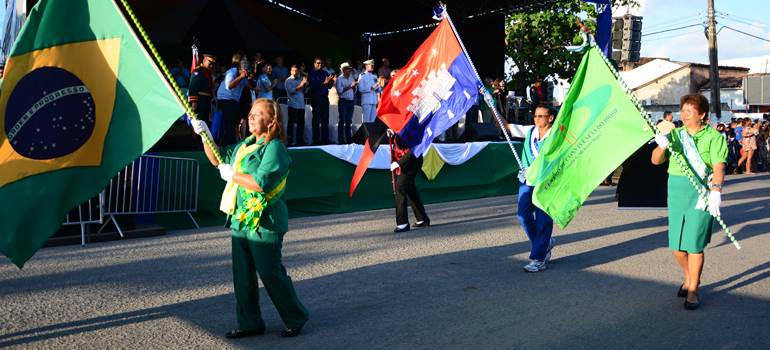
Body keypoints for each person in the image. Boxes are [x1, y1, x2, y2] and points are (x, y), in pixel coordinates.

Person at [191, 98, 309, 338]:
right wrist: (205, 135)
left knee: (269, 272)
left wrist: (232, 175)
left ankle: (295, 316)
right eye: (251, 112)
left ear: (272, 121)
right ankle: (250, 323)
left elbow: (260, 183)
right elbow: (217, 159)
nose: (251, 117)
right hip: (241, 218)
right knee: (242, 275)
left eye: (258, 113)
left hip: (265, 221)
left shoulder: (274, 148)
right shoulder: (244, 145)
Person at [651, 94, 726, 310]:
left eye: (689, 111)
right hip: (676, 190)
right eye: (682, 111)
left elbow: (719, 166)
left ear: (702, 114)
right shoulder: (675, 134)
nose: (684, 115)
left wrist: (716, 190)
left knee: (694, 244)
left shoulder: (714, 137)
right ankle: (690, 276)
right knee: (676, 246)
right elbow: (655, 161)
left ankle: (693, 289)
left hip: (701, 191)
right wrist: (662, 146)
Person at [506, 104, 557, 272]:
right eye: (535, 116)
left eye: (541, 116)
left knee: (543, 219)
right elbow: (506, 126)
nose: (536, 119)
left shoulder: (557, 136)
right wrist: (489, 102)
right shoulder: (530, 132)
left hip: (547, 182)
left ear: (550, 118)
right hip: (527, 180)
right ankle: (544, 243)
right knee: (523, 215)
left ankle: (539, 258)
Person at [388, 130, 429, 233]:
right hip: (405, 158)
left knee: (400, 187)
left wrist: (399, 163)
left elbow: (414, 149)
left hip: (412, 160)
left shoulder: (411, 124)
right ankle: (422, 219)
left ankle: (402, 223)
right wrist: (393, 133)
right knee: (410, 189)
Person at [216, 53, 254, 145]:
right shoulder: (232, 71)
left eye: (246, 60)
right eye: (243, 60)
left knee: (235, 122)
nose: (245, 62)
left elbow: (251, 86)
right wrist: (240, 77)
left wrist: (249, 78)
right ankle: (228, 145)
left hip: (234, 100)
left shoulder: (244, 73)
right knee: (231, 122)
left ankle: (227, 143)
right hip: (225, 99)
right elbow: (229, 86)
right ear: (237, 61)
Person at [309, 57, 335, 144]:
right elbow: (312, 86)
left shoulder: (325, 73)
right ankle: (316, 139)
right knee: (316, 119)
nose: (319, 65)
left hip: (324, 98)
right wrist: (324, 82)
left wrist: (332, 81)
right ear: (314, 64)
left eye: (321, 63)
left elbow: (329, 86)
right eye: (317, 63)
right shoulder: (312, 73)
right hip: (316, 98)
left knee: (325, 119)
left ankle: (325, 139)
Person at [188, 54, 216, 126]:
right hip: (199, 101)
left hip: (206, 101)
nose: (211, 66)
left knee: (204, 122)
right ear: (204, 61)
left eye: (212, 64)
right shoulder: (198, 71)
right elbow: (193, 87)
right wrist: (194, 102)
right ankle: (194, 137)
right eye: (210, 63)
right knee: (198, 122)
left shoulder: (208, 73)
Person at [285, 64, 308, 146]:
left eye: (296, 71)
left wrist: (305, 84)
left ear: (298, 71)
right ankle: (289, 141)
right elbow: (292, 91)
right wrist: (301, 84)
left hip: (301, 105)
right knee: (291, 124)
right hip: (292, 105)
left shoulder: (300, 79)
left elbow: (305, 91)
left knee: (301, 123)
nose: (294, 72)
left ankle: (300, 140)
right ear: (290, 71)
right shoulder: (288, 80)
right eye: (293, 71)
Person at [335, 62, 357, 144]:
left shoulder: (351, 77)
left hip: (351, 101)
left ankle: (349, 140)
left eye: (350, 69)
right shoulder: (339, 79)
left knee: (349, 121)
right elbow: (340, 92)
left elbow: (354, 90)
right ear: (343, 70)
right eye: (348, 69)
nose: (350, 70)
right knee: (342, 121)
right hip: (343, 101)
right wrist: (350, 86)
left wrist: (354, 87)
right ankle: (341, 140)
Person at [358, 59, 381, 123]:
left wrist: (379, 87)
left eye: (373, 66)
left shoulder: (375, 76)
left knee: (373, 121)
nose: (373, 67)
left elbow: (377, 89)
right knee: (366, 120)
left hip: (374, 100)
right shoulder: (362, 75)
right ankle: (365, 133)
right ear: (366, 66)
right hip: (366, 101)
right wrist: (371, 88)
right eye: (371, 65)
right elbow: (360, 89)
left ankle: (371, 133)